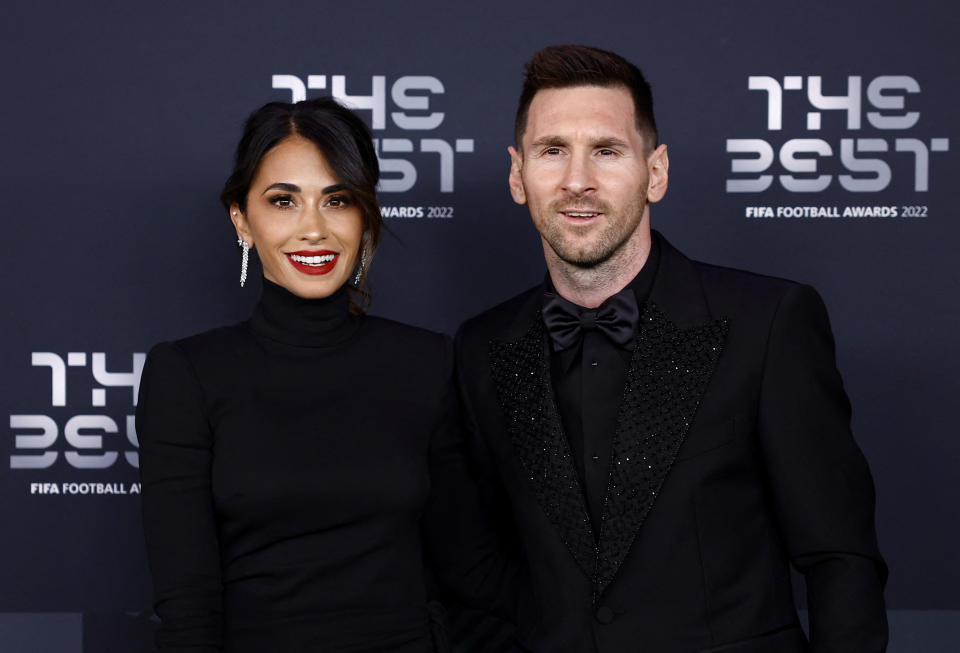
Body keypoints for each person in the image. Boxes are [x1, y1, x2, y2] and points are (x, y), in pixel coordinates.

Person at [454, 45, 888, 652]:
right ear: (516, 174)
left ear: (655, 171)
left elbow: (840, 558)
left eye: (606, 151)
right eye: (552, 151)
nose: (577, 180)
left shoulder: (768, 322)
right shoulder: (482, 347)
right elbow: (474, 570)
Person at [137, 97, 511, 652]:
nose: (313, 228)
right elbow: (188, 607)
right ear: (242, 219)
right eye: (283, 201)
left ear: (365, 216)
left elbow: (469, 566)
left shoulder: (426, 363)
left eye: (337, 200)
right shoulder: (187, 374)